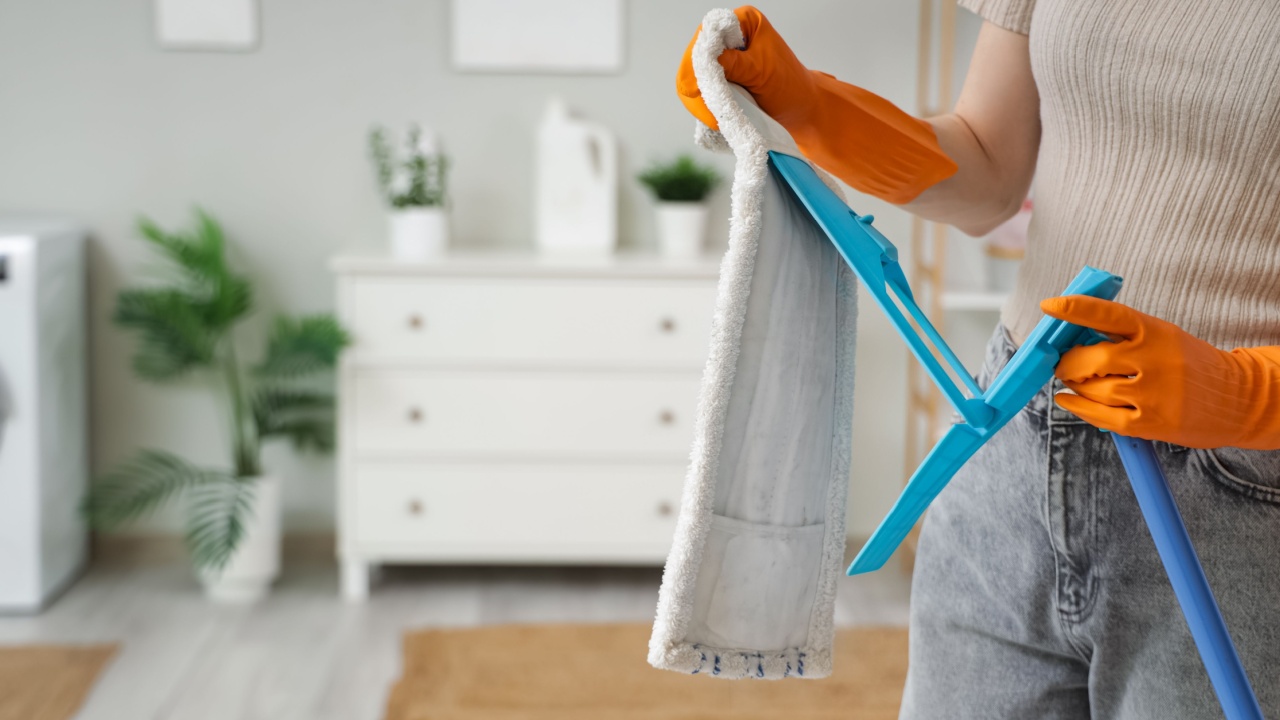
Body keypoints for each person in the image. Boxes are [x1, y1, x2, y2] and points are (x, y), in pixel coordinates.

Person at [677, 4, 1280, 718]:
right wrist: (810, 107)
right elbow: (988, 169)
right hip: (1011, 438)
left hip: (1238, 498)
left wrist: (1247, 395)